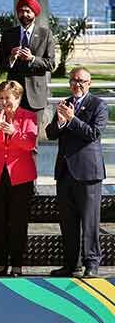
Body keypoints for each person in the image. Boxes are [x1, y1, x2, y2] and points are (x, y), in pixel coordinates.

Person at [46, 66, 106, 278]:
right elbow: (50, 134)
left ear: (89, 84)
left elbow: (93, 133)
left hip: (88, 173)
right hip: (65, 173)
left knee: (90, 221)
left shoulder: (98, 105)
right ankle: (71, 264)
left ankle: (92, 263)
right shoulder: (65, 104)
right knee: (68, 223)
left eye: (81, 81)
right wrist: (61, 122)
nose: (76, 84)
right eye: (73, 80)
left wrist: (72, 119)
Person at [0, 80, 37, 277]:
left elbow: (30, 144)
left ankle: (17, 263)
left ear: (18, 98)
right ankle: (1, 262)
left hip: (21, 177)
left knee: (19, 221)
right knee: (0, 221)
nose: (4, 102)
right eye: (1, 98)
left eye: (8, 98)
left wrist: (14, 132)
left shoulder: (29, 117)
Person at [0, 0, 56, 125]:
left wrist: (32, 59)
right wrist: (11, 58)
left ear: (35, 13)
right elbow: (0, 64)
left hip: (36, 95)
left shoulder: (45, 34)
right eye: (21, 11)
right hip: (13, 96)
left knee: (31, 137)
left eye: (28, 11)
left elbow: (51, 64)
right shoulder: (8, 34)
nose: (24, 14)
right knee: (12, 136)